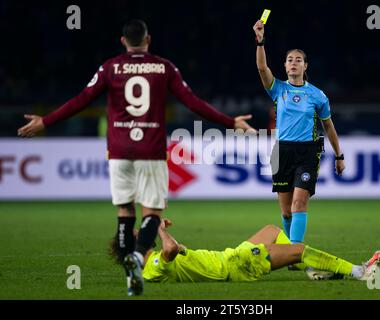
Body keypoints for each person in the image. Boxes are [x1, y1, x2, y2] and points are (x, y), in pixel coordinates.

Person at [17, 19, 255, 296]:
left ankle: (129, 265)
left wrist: (46, 121)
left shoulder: (110, 68)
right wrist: (230, 122)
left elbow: (81, 100)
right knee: (152, 212)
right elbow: (193, 102)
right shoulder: (164, 67)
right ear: (148, 39)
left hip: (118, 151)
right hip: (150, 151)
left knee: (125, 211)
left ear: (123, 41)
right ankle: (138, 258)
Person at [252, 20, 345, 251]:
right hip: (282, 151)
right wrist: (260, 41)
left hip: (308, 152)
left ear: (306, 66)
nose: (294, 63)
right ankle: (290, 251)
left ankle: (294, 252)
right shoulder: (278, 89)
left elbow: (329, 127)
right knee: (285, 211)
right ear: (284, 66)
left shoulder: (317, 96)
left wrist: (339, 155)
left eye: (298, 60)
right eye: (290, 60)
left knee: (298, 203)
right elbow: (262, 69)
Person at [112, 218, 380, 283]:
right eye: (140, 234)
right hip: (236, 266)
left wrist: (181, 248)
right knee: (299, 249)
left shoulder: (152, 264)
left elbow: (176, 251)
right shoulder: (150, 269)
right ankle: (359, 272)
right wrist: (158, 225)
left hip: (232, 255)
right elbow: (169, 250)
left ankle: (311, 269)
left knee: (273, 229)